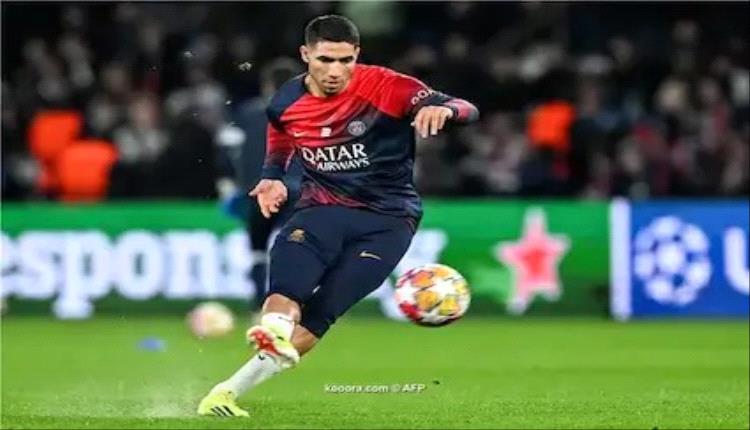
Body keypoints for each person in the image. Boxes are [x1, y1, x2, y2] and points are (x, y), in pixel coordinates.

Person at [198, 15, 478, 417]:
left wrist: (446, 111)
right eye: (325, 59)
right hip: (322, 209)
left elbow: (467, 108)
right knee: (289, 283)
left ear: (357, 55)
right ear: (305, 54)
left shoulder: (388, 86)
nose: (335, 71)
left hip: (388, 222)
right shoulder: (286, 100)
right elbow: (281, 133)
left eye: (345, 60)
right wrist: (272, 176)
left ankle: (227, 390)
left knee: (323, 311)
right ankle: (273, 333)